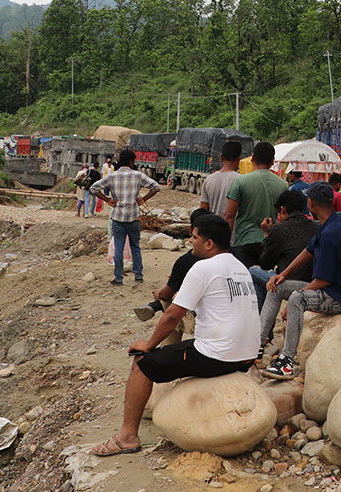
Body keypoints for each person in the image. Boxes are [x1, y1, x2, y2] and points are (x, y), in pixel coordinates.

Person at [91, 214, 259, 457]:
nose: (190, 241)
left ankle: (127, 437)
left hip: (218, 355)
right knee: (182, 350)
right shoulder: (239, 267)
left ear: (209, 243)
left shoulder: (203, 267)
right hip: (246, 356)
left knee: (142, 362)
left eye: (194, 237)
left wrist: (149, 344)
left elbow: (172, 316)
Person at [262, 182, 341, 379]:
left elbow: (323, 280)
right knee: (277, 287)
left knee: (297, 299)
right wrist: (284, 274)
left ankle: (287, 361)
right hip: (331, 290)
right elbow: (309, 250)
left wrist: (296, 299)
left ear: (312, 203)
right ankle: (257, 344)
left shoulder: (331, 233)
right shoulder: (332, 222)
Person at [133, 209, 210, 347]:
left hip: (204, 318)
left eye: (194, 237)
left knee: (171, 308)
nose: (190, 240)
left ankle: (167, 347)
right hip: (230, 318)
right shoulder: (230, 256)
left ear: (191, 230)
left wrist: (160, 294)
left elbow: (166, 294)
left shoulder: (187, 260)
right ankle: (154, 307)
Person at [249, 189, 320, 332]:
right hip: (314, 284)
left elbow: (266, 263)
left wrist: (267, 233)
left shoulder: (278, 230)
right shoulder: (318, 227)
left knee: (253, 272)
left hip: (289, 283)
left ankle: (261, 329)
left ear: (283, 209)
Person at [225, 142, 288, 293]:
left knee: (245, 284)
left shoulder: (240, 181)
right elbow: (284, 217)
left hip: (244, 240)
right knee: (265, 284)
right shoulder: (282, 185)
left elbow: (229, 215)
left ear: (252, 158)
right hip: (269, 242)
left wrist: (225, 244)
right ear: (272, 161)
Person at [91, 150, 160, 285]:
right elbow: (156, 187)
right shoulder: (138, 175)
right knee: (135, 247)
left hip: (118, 216)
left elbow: (93, 188)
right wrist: (144, 199)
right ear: (131, 162)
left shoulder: (112, 176)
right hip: (134, 216)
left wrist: (107, 199)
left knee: (119, 248)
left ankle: (118, 278)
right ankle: (138, 275)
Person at [200, 141, 242, 218]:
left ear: (221, 157)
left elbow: (203, 210)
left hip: (212, 224)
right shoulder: (241, 180)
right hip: (232, 225)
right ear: (239, 159)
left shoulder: (208, 180)